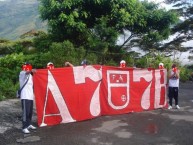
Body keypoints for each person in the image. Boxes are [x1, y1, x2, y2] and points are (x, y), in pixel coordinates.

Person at [19, 62, 37, 134]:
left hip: (30, 96)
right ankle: (24, 127)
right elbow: (27, 72)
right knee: (25, 112)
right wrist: (31, 70)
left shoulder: (31, 76)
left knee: (30, 112)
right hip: (25, 96)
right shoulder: (22, 73)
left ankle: (29, 124)